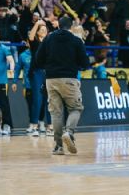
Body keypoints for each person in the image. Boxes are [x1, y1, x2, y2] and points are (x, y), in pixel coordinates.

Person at [35, 16, 89, 155]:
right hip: (69, 79)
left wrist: (48, 65)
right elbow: (85, 63)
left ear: (58, 25)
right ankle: (69, 133)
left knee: (56, 113)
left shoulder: (48, 38)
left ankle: (58, 147)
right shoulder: (76, 40)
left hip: (51, 80)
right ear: (71, 27)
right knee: (76, 108)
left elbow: (38, 59)